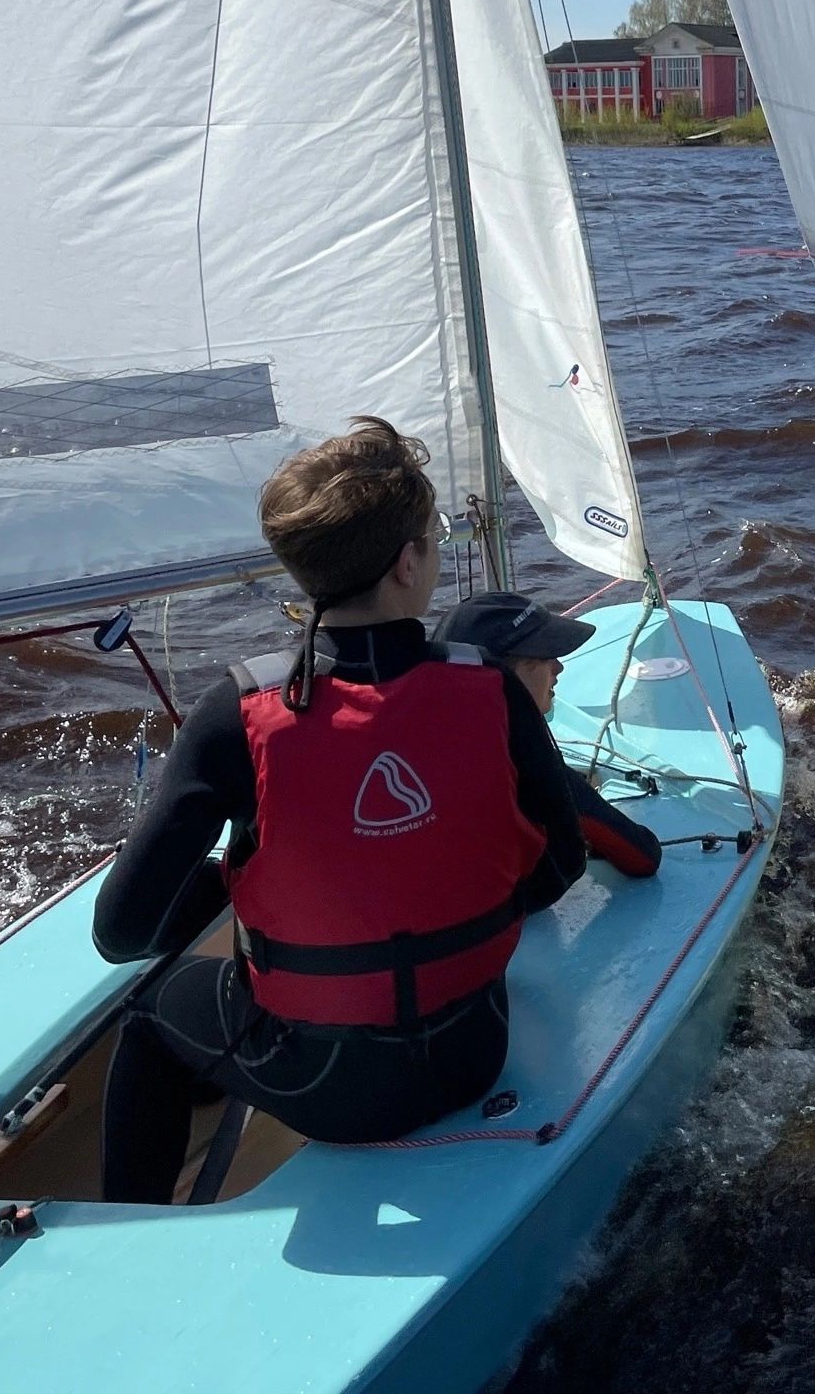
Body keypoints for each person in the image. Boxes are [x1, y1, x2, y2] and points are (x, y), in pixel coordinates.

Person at [91, 418, 586, 1204]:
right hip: (469, 1052)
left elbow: (121, 935)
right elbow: (560, 868)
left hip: (325, 1087)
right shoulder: (490, 687)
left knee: (152, 1017)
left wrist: (266, 887)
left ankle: (132, 1242)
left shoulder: (237, 714)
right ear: (408, 561)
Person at [433, 590, 662, 878]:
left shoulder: (414, 745)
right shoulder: (529, 763)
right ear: (503, 676)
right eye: (544, 656)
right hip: (507, 916)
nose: (559, 667)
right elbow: (642, 856)